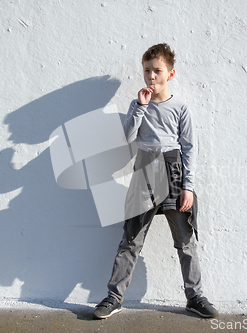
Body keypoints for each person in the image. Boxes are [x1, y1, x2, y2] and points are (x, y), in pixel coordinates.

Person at [92, 43, 218, 319]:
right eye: (147, 71)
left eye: (157, 71)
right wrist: (140, 107)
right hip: (145, 173)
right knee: (130, 241)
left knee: (185, 242)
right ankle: (114, 297)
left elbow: (189, 148)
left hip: (173, 174)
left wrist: (188, 188)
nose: (151, 77)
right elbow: (125, 139)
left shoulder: (181, 107)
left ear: (170, 74)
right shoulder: (138, 105)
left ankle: (195, 296)